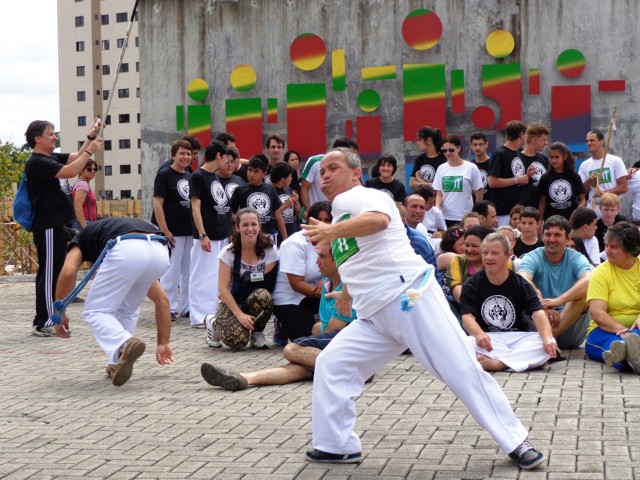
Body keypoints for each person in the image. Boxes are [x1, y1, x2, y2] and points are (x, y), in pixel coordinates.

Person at [300, 148, 545, 469]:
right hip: (375, 316)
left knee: (459, 368)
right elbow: (362, 255)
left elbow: (379, 221)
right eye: (321, 171)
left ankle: (516, 441)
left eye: (333, 167)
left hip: (409, 297)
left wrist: (331, 231)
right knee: (332, 363)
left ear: (356, 173)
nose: (325, 175)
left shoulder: (359, 197)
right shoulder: (341, 213)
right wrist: (346, 291)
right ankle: (336, 445)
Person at [201, 242, 356, 391]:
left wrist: (311, 338)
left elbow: (333, 332)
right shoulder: (327, 281)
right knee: (299, 368)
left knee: (292, 349)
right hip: (335, 349)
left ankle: (351, 370)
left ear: (337, 260)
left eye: (322, 256)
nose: (317, 261)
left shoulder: (348, 290)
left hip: (349, 351)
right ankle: (244, 378)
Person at [51, 217, 174, 386]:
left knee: (95, 311)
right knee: (128, 310)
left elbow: (68, 272)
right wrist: (163, 343)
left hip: (127, 248)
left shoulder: (80, 240)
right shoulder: (110, 229)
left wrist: (60, 313)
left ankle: (124, 342)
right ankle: (117, 362)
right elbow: (162, 300)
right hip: (160, 250)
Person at [24, 119, 103, 336]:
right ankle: (43, 321)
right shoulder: (37, 162)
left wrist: (90, 138)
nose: (55, 137)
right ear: (37, 138)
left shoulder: (50, 157)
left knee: (55, 272)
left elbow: (76, 158)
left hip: (58, 226)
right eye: (50, 134)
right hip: (48, 226)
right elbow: (71, 171)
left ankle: (48, 318)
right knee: (49, 274)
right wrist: (91, 151)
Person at [461, 233, 556, 372]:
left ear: (508, 255)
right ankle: (523, 361)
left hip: (518, 337)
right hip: (488, 337)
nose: (488, 257)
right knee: (467, 342)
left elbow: (537, 313)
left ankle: (497, 364)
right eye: (485, 253)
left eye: (495, 253)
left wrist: (548, 339)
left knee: (543, 341)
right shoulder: (471, 284)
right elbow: (467, 317)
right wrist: (479, 334)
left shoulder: (521, 284)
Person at [189, 140, 244, 328]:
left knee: (216, 275)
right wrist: (202, 234)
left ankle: (212, 313)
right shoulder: (198, 176)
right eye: (226, 158)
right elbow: (195, 207)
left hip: (221, 233)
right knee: (201, 274)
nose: (228, 163)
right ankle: (198, 316)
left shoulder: (214, 177)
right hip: (207, 234)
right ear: (218, 156)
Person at [206, 208, 278, 350]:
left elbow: (268, 284)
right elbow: (223, 289)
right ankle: (213, 322)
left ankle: (257, 333)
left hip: (253, 299)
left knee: (264, 295)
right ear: (237, 228)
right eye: (245, 225)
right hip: (232, 301)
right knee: (237, 341)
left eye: (253, 224)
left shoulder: (269, 249)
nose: (250, 229)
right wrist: (239, 315)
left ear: (259, 226)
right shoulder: (228, 253)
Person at [518, 215, 593, 349]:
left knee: (581, 296)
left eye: (557, 235)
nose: (552, 239)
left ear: (568, 238)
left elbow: (589, 280)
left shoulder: (576, 258)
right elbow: (523, 278)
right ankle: (549, 340)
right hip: (540, 320)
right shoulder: (533, 256)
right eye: (548, 234)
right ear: (542, 236)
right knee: (523, 288)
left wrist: (560, 300)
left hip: (568, 329)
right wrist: (542, 304)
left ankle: (548, 337)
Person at [583, 223, 640, 372]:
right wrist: (623, 331)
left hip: (637, 328)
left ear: (630, 249)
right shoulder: (601, 272)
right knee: (615, 344)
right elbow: (597, 313)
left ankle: (628, 357)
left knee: (632, 339)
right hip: (604, 331)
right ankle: (627, 355)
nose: (608, 251)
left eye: (614, 247)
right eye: (606, 245)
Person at [272, 202, 332, 343]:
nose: (321, 224)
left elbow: (337, 272)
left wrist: (326, 283)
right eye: (317, 219)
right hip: (289, 297)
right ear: (308, 221)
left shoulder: (334, 241)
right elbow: (296, 284)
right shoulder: (294, 244)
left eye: (327, 220)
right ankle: (282, 324)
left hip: (316, 293)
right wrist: (326, 290)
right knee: (309, 340)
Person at [152, 139, 193, 319]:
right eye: (182, 153)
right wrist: (165, 230)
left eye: (188, 154)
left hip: (189, 231)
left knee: (188, 270)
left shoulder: (190, 176)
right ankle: (168, 307)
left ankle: (187, 306)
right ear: (173, 155)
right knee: (171, 270)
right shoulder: (164, 174)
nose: (186, 157)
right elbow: (157, 204)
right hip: (172, 231)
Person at [229, 154, 287, 243]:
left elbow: (278, 214)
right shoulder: (239, 190)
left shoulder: (270, 189)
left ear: (264, 174)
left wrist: (285, 237)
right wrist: (241, 221)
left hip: (268, 235)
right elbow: (231, 214)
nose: (251, 174)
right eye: (250, 170)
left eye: (256, 171)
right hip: (247, 235)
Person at [300, 137, 358, 216]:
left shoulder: (351, 169)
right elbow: (304, 187)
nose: (354, 157)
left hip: (334, 215)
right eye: (352, 153)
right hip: (313, 214)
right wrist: (308, 210)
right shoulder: (315, 161)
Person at [433, 135, 483, 226]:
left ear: (459, 148)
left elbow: (479, 193)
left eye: (451, 150)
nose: (448, 153)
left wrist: (475, 214)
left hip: (464, 218)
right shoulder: (441, 168)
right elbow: (439, 193)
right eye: (444, 150)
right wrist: (437, 209)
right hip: (445, 217)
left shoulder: (471, 168)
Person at [487, 120, 528, 226]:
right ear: (521, 134)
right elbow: (492, 182)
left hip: (517, 210)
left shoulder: (518, 152)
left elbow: (514, 175)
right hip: (503, 212)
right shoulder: (500, 153)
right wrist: (517, 180)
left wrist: (527, 175)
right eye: (526, 134)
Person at [579, 129, 628, 215]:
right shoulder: (584, 165)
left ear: (601, 142)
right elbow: (581, 191)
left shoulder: (615, 161)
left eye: (592, 140)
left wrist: (604, 193)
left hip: (612, 206)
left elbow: (623, 187)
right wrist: (589, 180)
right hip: (593, 206)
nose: (588, 143)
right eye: (587, 141)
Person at [446, 225, 495, 304]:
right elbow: (458, 291)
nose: (469, 250)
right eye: (466, 245)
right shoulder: (458, 261)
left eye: (475, 246)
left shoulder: (499, 262)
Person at [537, 142, 585, 221]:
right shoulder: (545, 178)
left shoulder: (574, 176)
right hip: (550, 221)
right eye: (551, 157)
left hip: (570, 222)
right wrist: (539, 222)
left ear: (565, 156)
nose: (554, 160)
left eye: (557, 157)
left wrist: (575, 215)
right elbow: (542, 202)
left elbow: (582, 200)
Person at [518, 123, 550, 208]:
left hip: (540, 210)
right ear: (535, 140)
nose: (546, 143)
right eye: (544, 140)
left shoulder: (544, 159)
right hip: (523, 210)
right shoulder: (517, 159)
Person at [269, 162, 301, 240]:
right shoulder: (269, 191)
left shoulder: (288, 190)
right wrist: (285, 206)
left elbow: (297, 213)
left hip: (292, 230)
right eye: (290, 176)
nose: (291, 179)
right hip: (278, 234)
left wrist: (296, 202)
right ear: (282, 179)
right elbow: (270, 214)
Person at [409, 126, 446, 191]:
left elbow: (440, 187)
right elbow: (412, 184)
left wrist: (419, 179)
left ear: (429, 140)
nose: (417, 144)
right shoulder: (420, 159)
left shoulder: (444, 160)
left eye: (419, 140)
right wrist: (430, 185)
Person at [71, 158, 98, 231]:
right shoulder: (82, 184)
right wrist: (85, 227)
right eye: (89, 169)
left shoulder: (83, 183)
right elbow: (77, 206)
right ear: (81, 170)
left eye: (95, 169)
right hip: (84, 223)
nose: (92, 171)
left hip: (86, 222)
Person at [469, 132, 492, 200]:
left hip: (491, 205)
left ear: (486, 145)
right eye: (475, 144)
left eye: (481, 144)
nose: (478, 147)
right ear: (471, 145)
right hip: (473, 206)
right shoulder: (469, 166)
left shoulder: (494, 163)